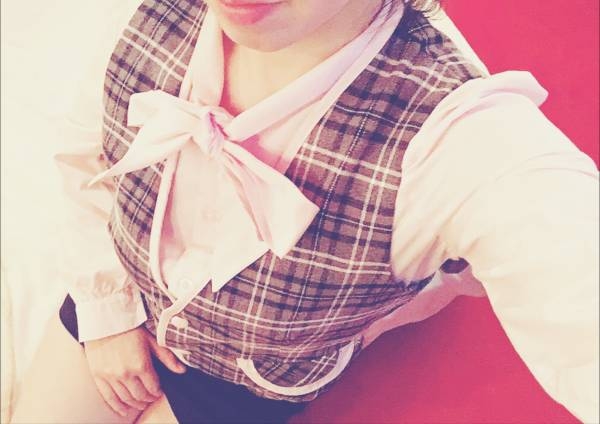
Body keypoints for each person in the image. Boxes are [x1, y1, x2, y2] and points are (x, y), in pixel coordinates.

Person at [11, 0, 598, 423]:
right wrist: (109, 310)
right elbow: (86, 158)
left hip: (252, 373)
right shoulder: (144, 14)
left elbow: (562, 245)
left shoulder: (457, 135)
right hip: (126, 290)